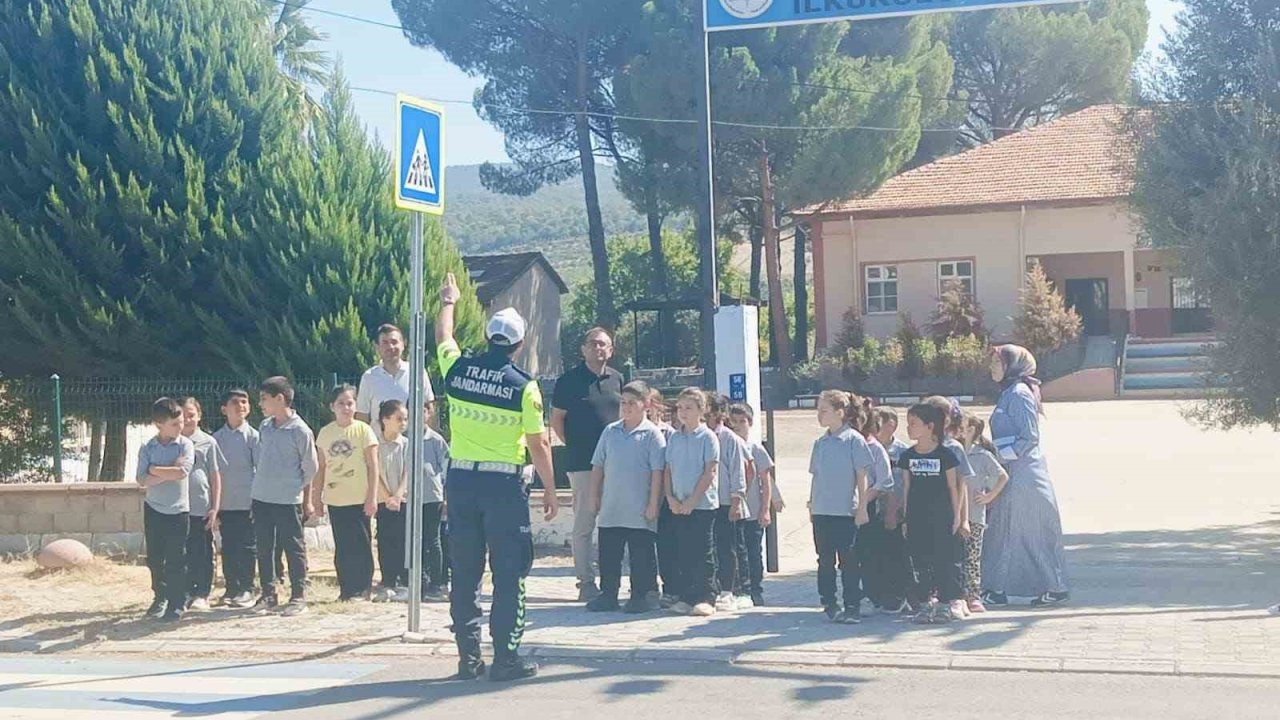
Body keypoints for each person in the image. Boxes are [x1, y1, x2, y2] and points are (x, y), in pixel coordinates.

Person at [436, 272, 558, 682]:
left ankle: (468, 659)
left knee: (465, 571)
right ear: (520, 346)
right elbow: (539, 444)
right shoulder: (524, 387)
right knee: (510, 572)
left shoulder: (457, 371)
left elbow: (444, 339)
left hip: (460, 482)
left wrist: (449, 300)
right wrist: (551, 490)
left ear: (488, 337)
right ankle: (506, 659)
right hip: (503, 487)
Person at [982, 345, 1070, 607]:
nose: (991, 368)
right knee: (1005, 530)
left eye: (996, 363)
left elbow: (1029, 436)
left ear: (1012, 365)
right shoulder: (1009, 392)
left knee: (1031, 530)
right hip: (1012, 470)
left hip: (1024, 474)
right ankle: (996, 588)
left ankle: (1054, 586)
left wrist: (1004, 454)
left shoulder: (1019, 394)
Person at [551, 327, 623, 602]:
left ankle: (610, 582)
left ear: (611, 350)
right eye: (592, 344)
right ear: (583, 349)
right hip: (582, 463)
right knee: (584, 523)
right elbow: (556, 421)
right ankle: (585, 582)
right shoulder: (568, 381)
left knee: (612, 523)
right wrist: (574, 444)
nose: (598, 348)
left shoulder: (618, 379)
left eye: (603, 344)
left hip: (616, 464)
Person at [586, 380, 666, 614]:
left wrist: (653, 503)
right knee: (609, 553)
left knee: (641, 555)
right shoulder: (611, 431)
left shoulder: (652, 435)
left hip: (640, 508)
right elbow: (598, 466)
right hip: (612, 505)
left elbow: (657, 473)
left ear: (646, 405)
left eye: (633, 403)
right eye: (623, 403)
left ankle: (640, 595)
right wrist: (594, 496)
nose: (627, 407)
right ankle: (608, 594)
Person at [251, 376, 318, 617]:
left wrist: (294, 487)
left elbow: (311, 466)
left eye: (264, 399)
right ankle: (268, 593)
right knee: (264, 546)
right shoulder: (265, 426)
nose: (261, 404)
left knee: (293, 546)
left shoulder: (300, 430)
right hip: (261, 497)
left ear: (280, 399)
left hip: (288, 500)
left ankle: (298, 595)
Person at [808, 391, 873, 624]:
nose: (819, 415)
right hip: (822, 510)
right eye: (818, 410)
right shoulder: (821, 443)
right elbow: (816, 476)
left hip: (845, 511)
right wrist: (811, 503)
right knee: (824, 560)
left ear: (840, 412)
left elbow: (862, 476)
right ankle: (829, 602)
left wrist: (862, 506)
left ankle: (852, 605)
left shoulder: (854, 440)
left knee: (848, 560)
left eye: (824, 411)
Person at [899, 402, 966, 624]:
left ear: (930, 427)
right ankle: (925, 603)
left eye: (914, 424)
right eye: (908, 424)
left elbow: (953, 487)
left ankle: (945, 603)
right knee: (921, 561)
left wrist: (957, 516)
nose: (909, 428)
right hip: (918, 517)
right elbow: (907, 488)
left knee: (944, 561)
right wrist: (906, 517)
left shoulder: (945, 455)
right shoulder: (907, 456)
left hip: (942, 516)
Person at [312, 384, 380, 602]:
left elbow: (373, 466)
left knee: (361, 543)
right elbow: (321, 468)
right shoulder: (325, 433)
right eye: (340, 403)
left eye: (349, 403)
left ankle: (363, 589)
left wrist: (372, 497)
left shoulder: (363, 430)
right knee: (343, 546)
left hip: (359, 498)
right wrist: (317, 498)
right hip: (336, 499)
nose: (346, 407)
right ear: (332, 406)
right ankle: (347, 588)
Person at [137, 398, 195, 622]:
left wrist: (155, 469)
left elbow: (182, 472)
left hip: (178, 511)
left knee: (176, 558)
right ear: (159, 425)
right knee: (155, 558)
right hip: (154, 509)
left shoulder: (185, 445)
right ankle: (160, 596)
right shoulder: (148, 447)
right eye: (174, 424)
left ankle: (176, 602)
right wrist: (166, 470)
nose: (180, 427)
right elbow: (142, 480)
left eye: (180, 422)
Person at [664, 387, 720, 617]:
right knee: (682, 551)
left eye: (689, 408)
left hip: (702, 505)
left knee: (702, 551)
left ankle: (707, 596)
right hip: (677, 503)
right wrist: (670, 498)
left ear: (702, 410)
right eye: (680, 408)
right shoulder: (675, 437)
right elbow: (667, 469)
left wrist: (692, 501)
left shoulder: (708, 437)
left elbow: (709, 472)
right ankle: (687, 595)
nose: (683, 412)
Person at [213, 390, 259, 608]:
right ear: (224, 409)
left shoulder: (254, 436)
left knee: (247, 546)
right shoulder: (216, 439)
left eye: (244, 402)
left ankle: (247, 588)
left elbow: (259, 469)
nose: (240, 406)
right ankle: (231, 588)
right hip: (225, 503)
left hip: (247, 502)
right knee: (228, 546)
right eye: (235, 402)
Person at [960, 412, 1009, 614]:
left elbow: (1002, 476)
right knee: (953, 557)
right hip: (954, 514)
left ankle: (973, 595)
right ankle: (955, 594)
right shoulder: (952, 452)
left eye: (961, 426)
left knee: (972, 558)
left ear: (971, 430)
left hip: (974, 515)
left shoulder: (982, 456)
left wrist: (989, 496)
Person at [179, 397, 225, 612]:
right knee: (181, 551)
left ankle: (202, 593)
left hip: (201, 506)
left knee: (203, 550)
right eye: (183, 415)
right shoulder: (171, 442)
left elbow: (215, 476)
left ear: (199, 416)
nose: (188, 419)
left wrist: (215, 507)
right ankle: (184, 590)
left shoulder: (208, 442)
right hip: (177, 508)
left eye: (191, 415)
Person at [706, 393, 751, 612]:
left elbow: (739, 471)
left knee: (728, 547)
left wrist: (736, 499)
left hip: (725, 501)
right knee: (709, 547)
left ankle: (730, 589)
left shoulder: (728, 438)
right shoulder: (699, 435)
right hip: (706, 502)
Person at [727, 403, 773, 608]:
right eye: (733, 422)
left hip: (753, 510)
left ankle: (756, 588)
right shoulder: (728, 445)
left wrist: (765, 509)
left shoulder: (755, 448)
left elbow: (766, 481)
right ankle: (738, 586)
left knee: (754, 552)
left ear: (751, 423)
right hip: (736, 511)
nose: (737, 426)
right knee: (737, 549)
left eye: (742, 421)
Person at [356, 323, 435, 438]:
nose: (390, 347)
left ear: (403, 344)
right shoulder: (369, 378)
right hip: (380, 448)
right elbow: (362, 418)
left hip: (413, 447)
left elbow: (430, 411)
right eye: (385, 343)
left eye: (394, 342)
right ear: (377, 347)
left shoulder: (418, 372)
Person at [871, 408, 912, 613]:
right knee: (876, 555)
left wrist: (899, 510)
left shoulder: (903, 452)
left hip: (897, 513)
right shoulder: (868, 448)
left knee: (897, 555)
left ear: (892, 425)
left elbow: (905, 484)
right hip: (873, 511)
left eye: (879, 422)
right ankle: (878, 594)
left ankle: (900, 594)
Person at [856, 404, 896, 614]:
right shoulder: (849, 444)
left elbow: (884, 482)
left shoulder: (875, 448)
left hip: (869, 507)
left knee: (868, 553)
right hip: (844, 508)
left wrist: (863, 500)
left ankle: (872, 595)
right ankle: (854, 593)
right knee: (851, 554)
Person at [646, 388, 681, 607]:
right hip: (644, 494)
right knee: (643, 543)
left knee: (668, 544)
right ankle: (647, 586)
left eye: (650, 404)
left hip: (666, 496)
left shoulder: (669, 433)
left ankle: (672, 588)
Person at [374, 399, 410, 600]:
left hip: (403, 500)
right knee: (385, 540)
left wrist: (397, 495)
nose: (403, 423)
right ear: (385, 419)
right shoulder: (375, 443)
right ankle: (387, 580)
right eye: (399, 419)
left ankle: (404, 582)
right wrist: (387, 496)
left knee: (403, 540)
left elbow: (408, 471)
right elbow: (375, 471)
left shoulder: (406, 444)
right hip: (382, 500)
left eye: (405, 419)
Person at [419, 400, 451, 602]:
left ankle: (437, 583)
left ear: (429, 413)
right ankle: (420, 580)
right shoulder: (405, 439)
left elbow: (447, 469)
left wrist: (446, 496)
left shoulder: (437, 441)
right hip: (411, 498)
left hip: (433, 496)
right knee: (415, 541)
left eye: (422, 411)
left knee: (433, 539)